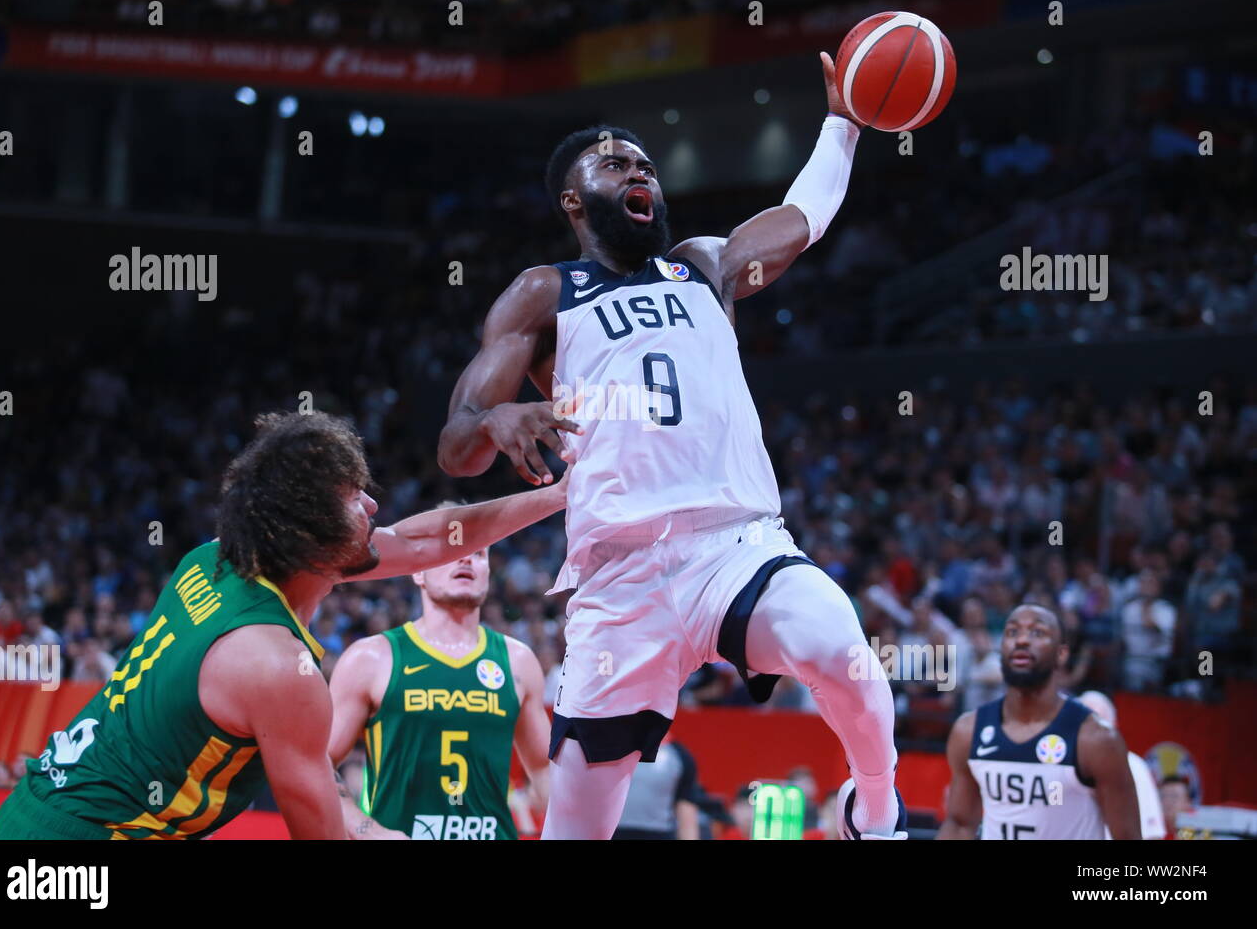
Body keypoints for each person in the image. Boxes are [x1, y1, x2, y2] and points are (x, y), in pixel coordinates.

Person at [438, 51, 906, 840]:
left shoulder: (703, 267)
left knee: (841, 648)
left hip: (734, 544)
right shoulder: (546, 292)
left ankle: (878, 803)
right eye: (615, 161)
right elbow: (457, 447)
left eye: (646, 162)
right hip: (619, 578)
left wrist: (844, 124)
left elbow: (803, 218)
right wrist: (493, 421)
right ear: (574, 198)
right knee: (578, 823)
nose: (638, 169)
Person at [0, 412, 566, 840]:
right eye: (350, 499)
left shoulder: (210, 559)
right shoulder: (274, 666)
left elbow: (427, 540)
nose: (371, 506)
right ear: (307, 533)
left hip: (34, 814)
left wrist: (561, 496)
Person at [327, 511, 551, 840]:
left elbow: (544, 771)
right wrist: (367, 831)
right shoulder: (371, 657)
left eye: (477, 553)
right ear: (418, 571)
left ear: (488, 572)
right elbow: (317, 764)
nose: (466, 561)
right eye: (451, 551)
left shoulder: (519, 661)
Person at [938, 605, 1141, 839]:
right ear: (1001, 648)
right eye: (1012, 632)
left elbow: (1128, 837)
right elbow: (959, 825)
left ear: (1061, 654)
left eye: (1037, 633)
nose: (1022, 640)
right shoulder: (969, 731)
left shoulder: (1096, 740)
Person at [1077, 690, 1167, 839]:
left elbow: (1152, 833)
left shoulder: (1135, 766)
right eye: (1085, 723)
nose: (1093, 733)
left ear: (1114, 726)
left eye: (1100, 723)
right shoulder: (1057, 764)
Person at [611, 731, 701, 840]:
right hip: (613, 832)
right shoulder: (610, 750)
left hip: (659, 833)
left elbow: (686, 807)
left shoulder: (679, 755)